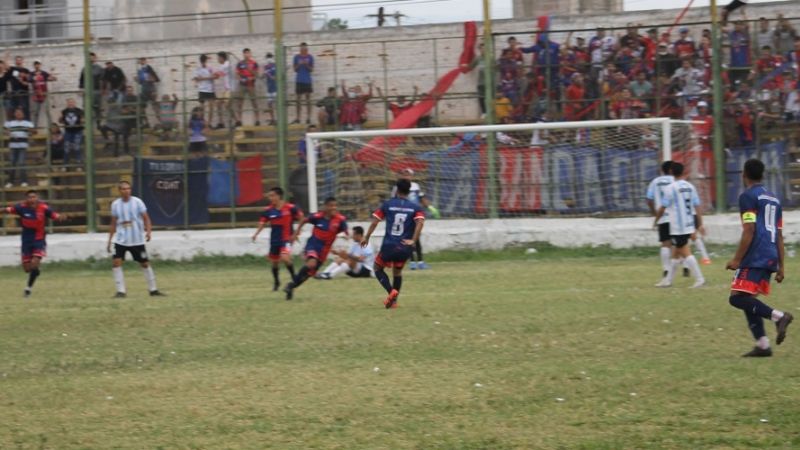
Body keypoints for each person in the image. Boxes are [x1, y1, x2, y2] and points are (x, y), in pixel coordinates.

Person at [726, 159, 793, 357]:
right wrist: (781, 266)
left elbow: (749, 229)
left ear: (743, 174)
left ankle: (779, 317)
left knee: (736, 299)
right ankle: (763, 345)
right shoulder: (774, 199)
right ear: (763, 175)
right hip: (770, 253)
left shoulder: (748, 196)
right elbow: (779, 234)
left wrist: (737, 259)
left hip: (756, 254)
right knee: (747, 298)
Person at [362, 179, 426, 309]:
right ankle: (394, 302)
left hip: (389, 246)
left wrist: (367, 237)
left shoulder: (388, 204)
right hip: (404, 247)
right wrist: (413, 240)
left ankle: (391, 292)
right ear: (409, 191)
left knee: (377, 268)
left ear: (396, 190)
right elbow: (420, 222)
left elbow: (375, 222)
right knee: (397, 273)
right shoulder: (415, 207)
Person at [1, 190, 67, 297]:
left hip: (39, 240)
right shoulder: (21, 207)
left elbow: (54, 215)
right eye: (30, 197)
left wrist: (59, 217)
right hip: (26, 241)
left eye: (34, 197)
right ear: (26, 199)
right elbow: (7, 210)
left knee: (34, 262)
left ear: (37, 198)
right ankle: (35, 272)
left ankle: (28, 289)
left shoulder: (43, 208)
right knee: (27, 269)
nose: (32, 199)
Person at [283, 197, 348, 300]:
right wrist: (296, 233)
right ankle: (292, 284)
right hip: (313, 245)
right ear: (326, 206)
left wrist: (347, 236)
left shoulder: (340, 220)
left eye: (335, 205)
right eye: (331, 205)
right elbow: (304, 220)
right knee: (311, 264)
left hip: (324, 251)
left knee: (308, 275)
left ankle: (291, 286)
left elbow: (346, 231)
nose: (333, 208)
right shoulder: (317, 217)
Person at [107, 180, 164, 298]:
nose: (126, 191)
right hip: (121, 240)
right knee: (116, 263)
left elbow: (146, 218)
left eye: (128, 188)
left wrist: (148, 232)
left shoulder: (138, 202)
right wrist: (109, 240)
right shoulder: (115, 204)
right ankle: (121, 291)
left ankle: (153, 290)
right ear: (119, 191)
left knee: (144, 263)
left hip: (137, 240)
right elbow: (113, 223)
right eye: (123, 189)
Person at [654, 162, 705, 288]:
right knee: (676, 253)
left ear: (671, 172)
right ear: (683, 172)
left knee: (685, 251)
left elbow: (662, 207)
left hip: (678, 226)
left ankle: (700, 278)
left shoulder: (670, 188)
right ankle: (668, 280)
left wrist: (656, 220)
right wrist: (700, 224)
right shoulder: (690, 186)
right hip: (689, 223)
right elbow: (697, 206)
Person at [251, 187, 304, 291]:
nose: (270, 198)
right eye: (269, 196)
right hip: (274, 240)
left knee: (285, 258)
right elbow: (262, 223)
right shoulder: (268, 210)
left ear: (279, 196)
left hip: (286, 239)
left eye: (272, 195)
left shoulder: (290, 208)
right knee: (275, 263)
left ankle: (294, 278)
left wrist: (297, 233)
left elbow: (302, 218)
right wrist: (256, 234)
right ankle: (276, 282)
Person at [392, 168, 433, 269]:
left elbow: (421, 198)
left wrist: (430, 207)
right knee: (408, 238)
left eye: (408, 174)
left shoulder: (415, 186)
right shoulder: (397, 187)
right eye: (404, 174)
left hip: (414, 215)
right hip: (404, 215)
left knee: (416, 238)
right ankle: (412, 262)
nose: (406, 176)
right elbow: (393, 200)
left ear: (412, 176)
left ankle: (420, 261)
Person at [646, 161, 674, 278]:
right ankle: (686, 267)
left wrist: (654, 213)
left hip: (662, 216)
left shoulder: (655, 182)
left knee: (665, 243)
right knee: (681, 244)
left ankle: (666, 269)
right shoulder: (676, 181)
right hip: (676, 217)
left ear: (662, 170)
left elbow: (649, 199)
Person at [4, 107, 34, 188]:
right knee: (12, 163)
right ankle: (10, 181)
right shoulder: (10, 123)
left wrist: (30, 132)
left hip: (23, 145)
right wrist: (8, 132)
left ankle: (24, 181)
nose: (18, 114)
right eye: (17, 112)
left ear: (23, 114)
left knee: (21, 163)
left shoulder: (27, 123)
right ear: (14, 114)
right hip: (13, 145)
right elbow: (5, 131)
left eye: (20, 113)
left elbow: (32, 132)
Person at [234, 48, 260, 127]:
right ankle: (239, 120)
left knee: (254, 102)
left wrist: (251, 76)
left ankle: (257, 120)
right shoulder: (240, 63)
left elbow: (257, 75)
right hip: (242, 85)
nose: (247, 54)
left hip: (251, 85)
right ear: (243, 54)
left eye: (248, 53)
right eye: (245, 53)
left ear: (250, 54)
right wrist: (241, 78)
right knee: (240, 103)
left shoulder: (254, 63)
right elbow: (237, 74)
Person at [78, 52, 103, 127]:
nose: (91, 58)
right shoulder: (84, 68)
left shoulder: (99, 68)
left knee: (98, 108)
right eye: (89, 57)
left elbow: (103, 80)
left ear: (95, 58)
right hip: (87, 91)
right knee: (87, 108)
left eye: (92, 57)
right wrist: (81, 90)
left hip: (97, 91)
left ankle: (98, 123)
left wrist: (103, 90)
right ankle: (89, 125)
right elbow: (81, 80)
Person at [293, 42, 315, 124]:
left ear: (306, 48)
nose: (303, 50)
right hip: (299, 80)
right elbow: (295, 69)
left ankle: (308, 117)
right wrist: (299, 64)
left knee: (308, 100)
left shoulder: (310, 57)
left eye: (304, 48)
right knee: (298, 100)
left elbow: (312, 69)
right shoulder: (296, 57)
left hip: (307, 81)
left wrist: (306, 65)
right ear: (300, 48)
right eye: (301, 48)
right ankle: (298, 118)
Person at [30, 60, 56, 127]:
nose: (37, 66)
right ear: (34, 66)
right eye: (35, 64)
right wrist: (33, 78)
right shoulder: (32, 74)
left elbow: (51, 78)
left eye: (38, 64)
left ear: (40, 65)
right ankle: (34, 127)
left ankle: (51, 126)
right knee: (36, 112)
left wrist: (53, 77)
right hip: (36, 96)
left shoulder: (44, 73)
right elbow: (29, 80)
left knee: (47, 111)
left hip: (44, 95)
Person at [59, 98, 84, 170]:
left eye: (72, 102)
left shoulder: (79, 111)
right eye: (69, 102)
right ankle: (65, 165)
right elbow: (60, 121)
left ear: (75, 103)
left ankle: (79, 165)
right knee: (66, 148)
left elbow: (83, 120)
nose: (71, 104)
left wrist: (82, 120)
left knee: (77, 147)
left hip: (77, 131)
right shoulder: (64, 111)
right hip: (68, 131)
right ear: (67, 104)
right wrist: (60, 117)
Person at [135, 57, 160, 125]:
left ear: (145, 61)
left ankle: (162, 121)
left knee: (155, 107)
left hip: (151, 89)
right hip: (144, 90)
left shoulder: (149, 68)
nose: (141, 62)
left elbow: (156, 79)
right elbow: (140, 82)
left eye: (142, 60)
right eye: (140, 61)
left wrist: (151, 79)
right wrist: (137, 80)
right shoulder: (140, 70)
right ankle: (146, 123)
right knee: (141, 106)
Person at [193, 54, 217, 125]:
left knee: (211, 107)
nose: (204, 63)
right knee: (202, 108)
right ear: (201, 61)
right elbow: (196, 78)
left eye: (205, 61)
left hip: (210, 90)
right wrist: (209, 77)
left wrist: (203, 78)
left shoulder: (210, 68)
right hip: (202, 90)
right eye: (202, 61)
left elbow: (215, 76)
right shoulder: (198, 68)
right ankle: (201, 123)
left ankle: (209, 123)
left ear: (206, 61)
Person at [7, 55, 30, 120]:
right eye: (17, 60)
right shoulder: (12, 69)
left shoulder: (26, 70)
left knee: (24, 109)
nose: (18, 61)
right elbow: (6, 66)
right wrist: (7, 56)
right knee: (13, 109)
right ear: (15, 61)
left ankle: (26, 126)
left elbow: (28, 82)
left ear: (22, 61)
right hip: (14, 93)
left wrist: (22, 81)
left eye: (20, 60)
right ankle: (15, 126)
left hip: (23, 93)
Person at [214, 51, 233, 129]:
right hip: (225, 89)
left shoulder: (226, 65)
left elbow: (217, 75)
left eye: (218, 58)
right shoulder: (223, 65)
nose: (218, 59)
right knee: (219, 104)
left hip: (229, 88)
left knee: (226, 105)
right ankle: (221, 122)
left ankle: (235, 121)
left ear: (222, 58)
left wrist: (203, 78)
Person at [263, 52, 277, 126]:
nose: (269, 59)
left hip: (276, 88)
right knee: (269, 104)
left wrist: (274, 77)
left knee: (277, 104)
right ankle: (272, 119)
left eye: (270, 57)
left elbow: (277, 75)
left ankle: (278, 119)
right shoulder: (265, 67)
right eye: (268, 57)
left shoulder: (275, 66)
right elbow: (265, 74)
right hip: (269, 88)